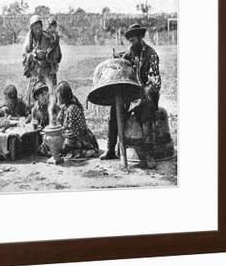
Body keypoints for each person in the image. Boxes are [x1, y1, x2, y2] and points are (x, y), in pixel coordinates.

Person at [101, 23, 161, 169]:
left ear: (140, 38)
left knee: (147, 113)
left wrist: (143, 94)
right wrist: (116, 60)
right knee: (114, 110)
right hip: (131, 95)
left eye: (133, 40)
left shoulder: (151, 54)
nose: (131, 43)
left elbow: (155, 82)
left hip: (147, 95)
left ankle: (149, 154)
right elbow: (122, 65)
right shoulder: (130, 53)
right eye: (130, 41)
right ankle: (110, 149)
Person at [55, 81, 99, 159]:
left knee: (60, 146)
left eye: (58, 93)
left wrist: (61, 135)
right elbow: (59, 122)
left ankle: (84, 152)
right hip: (71, 136)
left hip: (81, 138)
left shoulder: (72, 108)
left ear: (63, 94)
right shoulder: (65, 107)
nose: (57, 96)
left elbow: (73, 132)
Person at [22, 15, 58, 106]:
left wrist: (46, 55)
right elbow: (24, 56)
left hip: (47, 71)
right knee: (35, 94)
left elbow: (55, 54)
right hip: (35, 72)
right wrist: (34, 54)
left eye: (39, 28)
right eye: (35, 28)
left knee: (49, 94)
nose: (38, 30)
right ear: (32, 29)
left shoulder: (47, 37)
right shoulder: (29, 41)